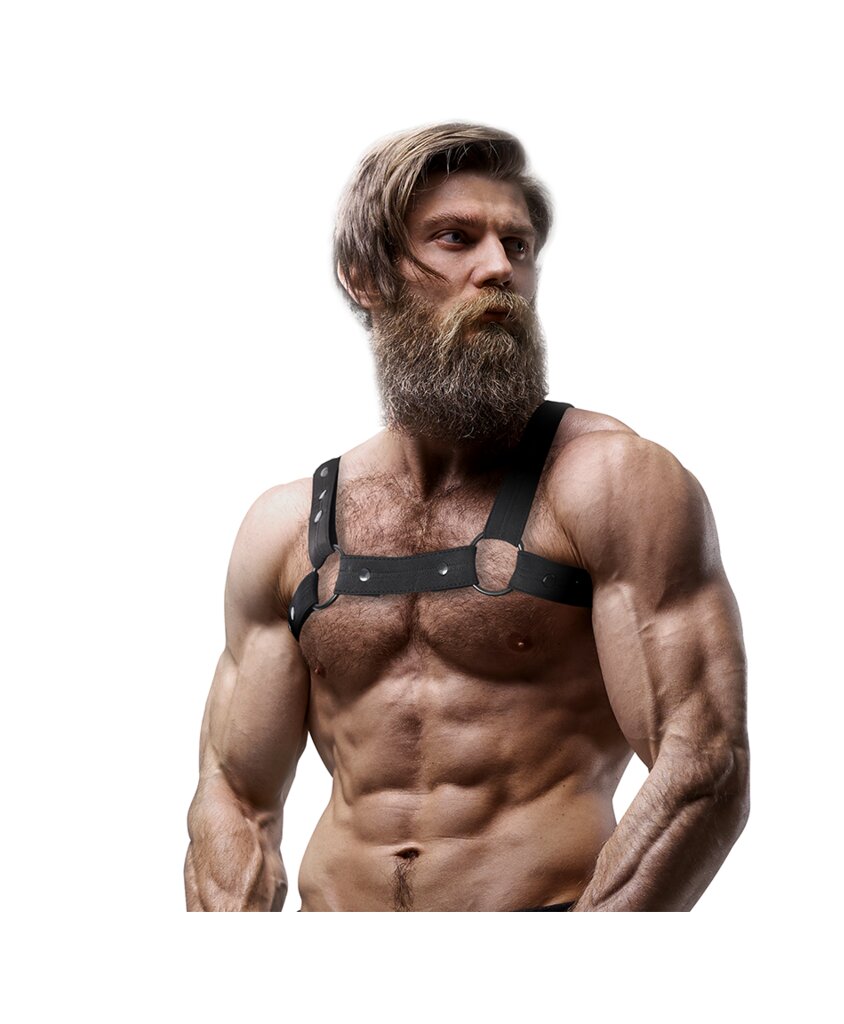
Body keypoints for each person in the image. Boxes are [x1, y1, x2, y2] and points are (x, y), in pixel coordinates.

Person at [183, 123, 749, 912]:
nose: (498, 269)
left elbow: (703, 766)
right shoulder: (287, 529)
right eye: (457, 239)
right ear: (365, 276)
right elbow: (233, 794)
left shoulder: (609, 482)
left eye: (517, 246)